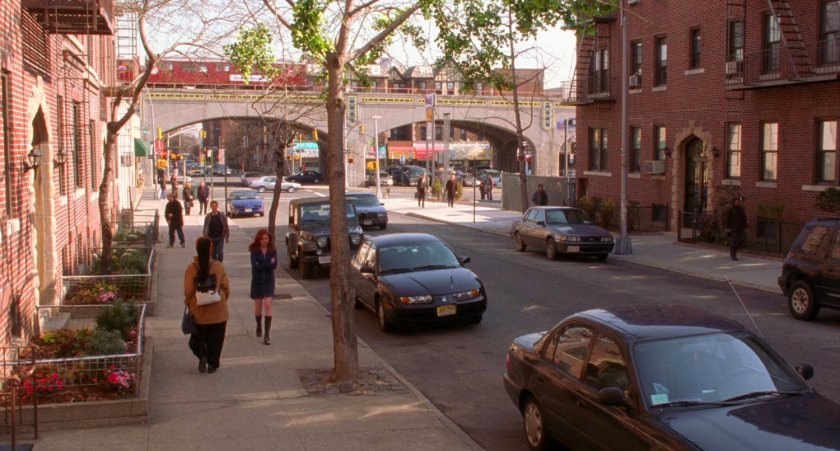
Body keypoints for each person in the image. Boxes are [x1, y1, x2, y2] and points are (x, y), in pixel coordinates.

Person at [184, 236, 230, 374]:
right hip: (218, 312)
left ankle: (202, 355)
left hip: (199, 312)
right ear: (211, 249)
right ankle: (213, 364)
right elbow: (226, 287)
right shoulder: (218, 266)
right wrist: (222, 299)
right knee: (216, 340)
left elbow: (188, 291)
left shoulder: (191, 268)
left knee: (196, 340)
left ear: (197, 249)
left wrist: (189, 303)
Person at [249, 229, 278, 345]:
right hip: (257, 281)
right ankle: (258, 325)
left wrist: (263, 265)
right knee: (257, 307)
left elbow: (274, 265)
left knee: (267, 304)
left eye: (266, 238)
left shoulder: (272, 251)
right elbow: (255, 266)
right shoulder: (254, 251)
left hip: (269, 281)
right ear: (259, 240)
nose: (265, 241)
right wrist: (267, 265)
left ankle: (267, 335)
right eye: (262, 239)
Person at [725, 196, 748, 261]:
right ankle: (733, 255)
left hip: (741, 227)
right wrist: (727, 228)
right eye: (737, 201)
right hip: (733, 228)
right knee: (733, 241)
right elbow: (727, 219)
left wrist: (746, 227)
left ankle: (735, 249)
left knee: (741, 239)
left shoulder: (741, 209)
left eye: (739, 201)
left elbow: (744, 219)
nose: (738, 202)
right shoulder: (731, 209)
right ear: (734, 202)